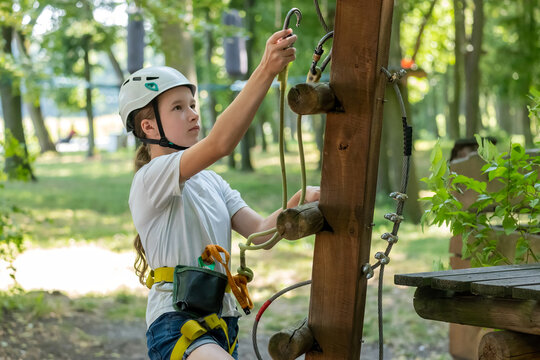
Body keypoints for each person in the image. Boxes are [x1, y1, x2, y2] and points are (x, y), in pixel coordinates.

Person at [118, 28, 320, 360]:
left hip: (223, 323)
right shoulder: (150, 179)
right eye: (178, 108)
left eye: (193, 104)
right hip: (176, 323)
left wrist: (299, 199)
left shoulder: (212, 183)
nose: (193, 114)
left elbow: (260, 234)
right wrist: (265, 70)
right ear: (149, 128)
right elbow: (221, 143)